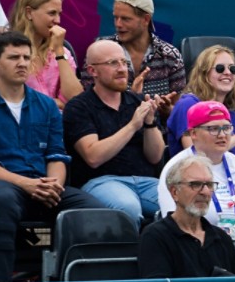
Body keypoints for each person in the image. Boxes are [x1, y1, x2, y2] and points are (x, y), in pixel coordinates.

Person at [0, 32, 104, 282]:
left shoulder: (46, 105)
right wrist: (26, 183)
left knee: (93, 209)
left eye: (27, 57)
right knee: (1, 198)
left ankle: (68, 281)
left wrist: (54, 185)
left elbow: (57, 154)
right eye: (14, 57)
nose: (22, 63)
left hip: (42, 186)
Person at [63, 39, 168, 225]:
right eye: (113, 63)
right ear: (92, 71)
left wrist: (150, 123)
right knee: (128, 208)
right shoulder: (79, 107)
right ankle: (133, 254)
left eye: (124, 63)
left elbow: (155, 157)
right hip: (101, 182)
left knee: (185, 204)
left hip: (145, 181)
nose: (122, 69)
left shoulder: (138, 102)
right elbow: (93, 156)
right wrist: (133, 125)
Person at [139, 155, 235, 279]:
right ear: (174, 192)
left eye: (209, 185)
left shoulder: (221, 238)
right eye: (195, 184)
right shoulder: (155, 236)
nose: (205, 192)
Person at [157, 101, 235, 234]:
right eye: (213, 129)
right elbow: (173, 222)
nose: (222, 135)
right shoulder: (176, 169)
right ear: (193, 133)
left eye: (226, 128)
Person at [165, 44, 235, 157]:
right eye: (220, 68)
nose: (228, 73)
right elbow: (195, 155)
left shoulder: (233, 116)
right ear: (204, 73)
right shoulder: (188, 105)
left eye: (233, 69)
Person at [79, 0, 186, 99]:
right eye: (116, 18)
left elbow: (177, 107)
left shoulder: (170, 55)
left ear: (146, 19)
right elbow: (87, 99)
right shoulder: (101, 51)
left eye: (125, 19)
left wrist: (167, 111)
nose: (118, 24)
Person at [7, 0, 83, 109]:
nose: (58, 20)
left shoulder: (62, 51)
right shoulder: (5, 49)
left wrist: (59, 51)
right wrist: (57, 103)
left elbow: (75, 100)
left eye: (59, 14)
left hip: (58, 124)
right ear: (29, 13)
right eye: (52, 13)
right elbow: (11, 99)